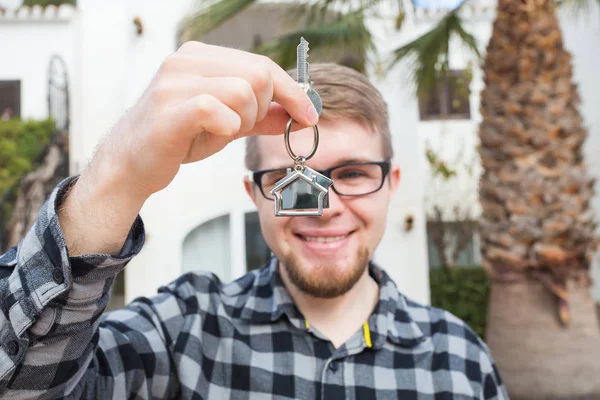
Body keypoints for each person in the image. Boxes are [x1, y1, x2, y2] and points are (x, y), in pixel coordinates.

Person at [0, 42, 508, 399]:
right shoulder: (184, 329)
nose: (325, 206)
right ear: (255, 193)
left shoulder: (461, 361)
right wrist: (115, 178)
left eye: (353, 173)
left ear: (392, 182)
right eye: (293, 177)